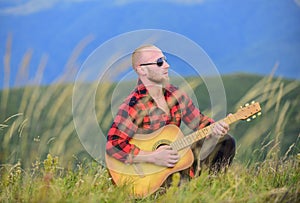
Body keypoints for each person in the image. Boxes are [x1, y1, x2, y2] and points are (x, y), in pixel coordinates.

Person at [106, 44, 236, 184]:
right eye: (159, 62)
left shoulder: (176, 95)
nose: (167, 66)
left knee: (225, 142)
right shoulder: (133, 105)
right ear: (142, 69)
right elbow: (113, 145)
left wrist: (215, 128)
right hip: (151, 174)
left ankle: (209, 188)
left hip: (175, 160)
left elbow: (200, 123)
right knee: (175, 183)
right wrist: (152, 157)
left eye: (165, 60)